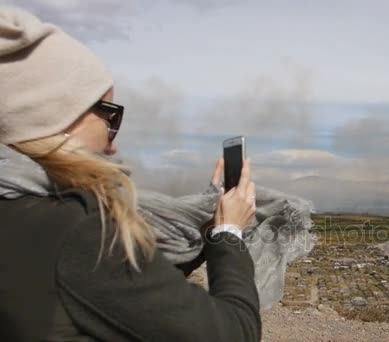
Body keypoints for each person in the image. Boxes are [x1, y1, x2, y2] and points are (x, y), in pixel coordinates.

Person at [0, 6, 261, 341]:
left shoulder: (19, 211)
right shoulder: (80, 232)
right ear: (57, 115)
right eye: (110, 116)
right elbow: (232, 333)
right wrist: (229, 233)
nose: (112, 145)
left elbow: (115, 293)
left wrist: (203, 227)